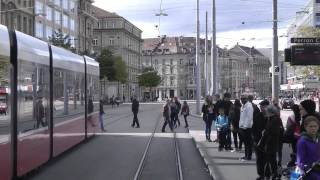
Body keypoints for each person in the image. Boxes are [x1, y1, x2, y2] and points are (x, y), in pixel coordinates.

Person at [258, 105, 282, 179]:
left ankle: (274, 174)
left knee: (271, 160)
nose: (266, 112)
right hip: (269, 143)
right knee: (270, 160)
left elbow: (274, 132)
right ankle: (270, 174)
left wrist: (265, 133)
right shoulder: (271, 119)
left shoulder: (275, 120)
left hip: (271, 143)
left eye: (267, 111)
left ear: (271, 112)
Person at [296, 116, 320, 180]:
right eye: (311, 126)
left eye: (315, 126)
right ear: (305, 127)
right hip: (309, 173)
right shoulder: (302, 141)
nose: (313, 128)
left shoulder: (318, 139)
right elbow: (300, 161)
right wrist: (310, 166)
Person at [254, 99, 269, 180]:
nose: (261, 108)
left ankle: (267, 174)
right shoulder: (257, 116)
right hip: (258, 141)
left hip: (268, 142)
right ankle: (261, 175)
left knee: (267, 159)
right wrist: (255, 139)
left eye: (263, 106)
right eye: (261, 106)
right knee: (259, 159)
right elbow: (254, 128)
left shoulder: (271, 117)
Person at [239, 94, 254, 161]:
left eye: (243, 99)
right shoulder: (243, 106)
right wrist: (241, 125)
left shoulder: (249, 106)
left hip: (247, 127)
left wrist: (245, 126)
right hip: (243, 127)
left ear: (246, 99)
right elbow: (242, 117)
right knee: (245, 142)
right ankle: (246, 155)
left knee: (248, 142)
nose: (242, 100)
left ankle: (249, 156)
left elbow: (249, 117)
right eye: (241, 99)